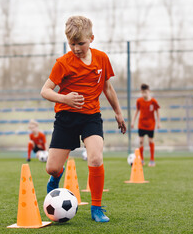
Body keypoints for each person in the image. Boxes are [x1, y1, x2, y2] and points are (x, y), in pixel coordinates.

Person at [40, 16, 126, 223]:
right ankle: (55, 177)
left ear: (91, 38)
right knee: (52, 167)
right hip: (66, 117)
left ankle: (97, 207)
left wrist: (118, 112)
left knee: (95, 158)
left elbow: (107, 87)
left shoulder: (102, 58)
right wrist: (64, 98)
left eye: (81, 43)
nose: (76, 48)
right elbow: (45, 90)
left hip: (91, 118)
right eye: (72, 44)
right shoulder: (63, 63)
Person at [131, 83, 161, 167]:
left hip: (151, 124)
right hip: (141, 124)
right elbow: (137, 111)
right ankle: (141, 160)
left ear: (149, 91)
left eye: (145, 92)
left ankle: (152, 160)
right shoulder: (139, 101)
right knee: (141, 141)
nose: (144, 94)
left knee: (150, 141)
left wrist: (158, 122)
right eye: (142, 92)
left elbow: (157, 111)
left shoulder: (153, 101)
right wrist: (133, 121)